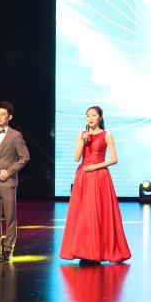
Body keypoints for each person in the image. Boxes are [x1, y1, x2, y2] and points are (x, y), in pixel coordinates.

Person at [59, 106, 131, 263]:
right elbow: (76, 158)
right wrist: (83, 141)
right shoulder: (81, 134)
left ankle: (96, 252)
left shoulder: (107, 135)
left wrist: (95, 167)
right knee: (82, 214)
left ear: (100, 118)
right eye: (88, 116)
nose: (90, 118)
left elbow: (114, 159)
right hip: (83, 176)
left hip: (99, 176)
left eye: (93, 115)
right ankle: (83, 251)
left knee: (95, 213)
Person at [0, 101, 31, 262]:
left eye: (3, 114)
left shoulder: (15, 135)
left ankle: (8, 249)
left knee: (10, 217)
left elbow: (25, 157)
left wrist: (9, 171)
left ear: (9, 117)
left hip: (8, 182)